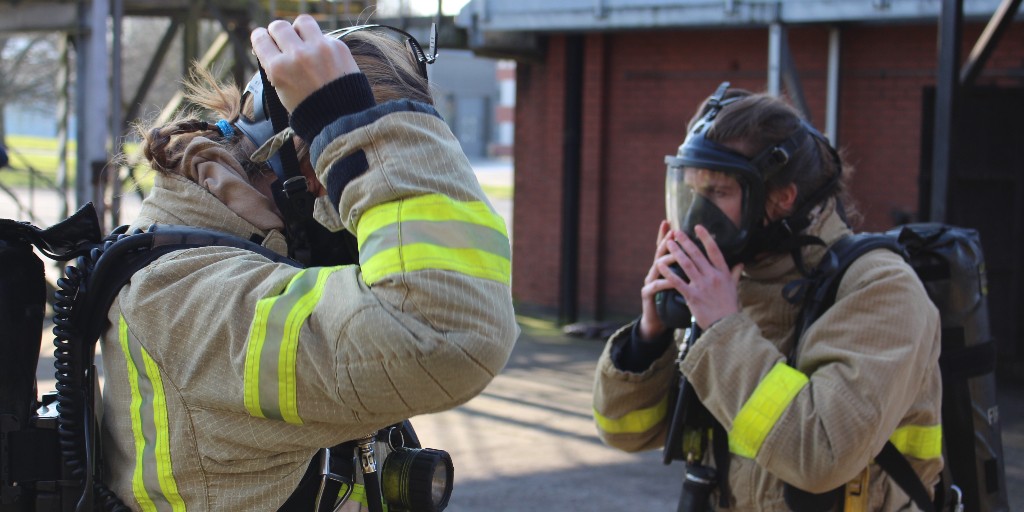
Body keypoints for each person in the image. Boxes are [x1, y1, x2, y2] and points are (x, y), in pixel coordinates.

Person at [99, 15, 518, 511]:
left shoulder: (255, 254)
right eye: (351, 182)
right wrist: (360, 132)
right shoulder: (187, 292)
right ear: (313, 173)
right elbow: (449, 331)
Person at [592, 83, 942, 511]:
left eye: (718, 193)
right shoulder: (730, 285)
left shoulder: (879, 289)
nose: (695, 216)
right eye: (691, 192)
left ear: (781, 198)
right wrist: (649, 337)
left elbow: (821, 456)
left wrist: (722, 329)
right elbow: (624, 430)